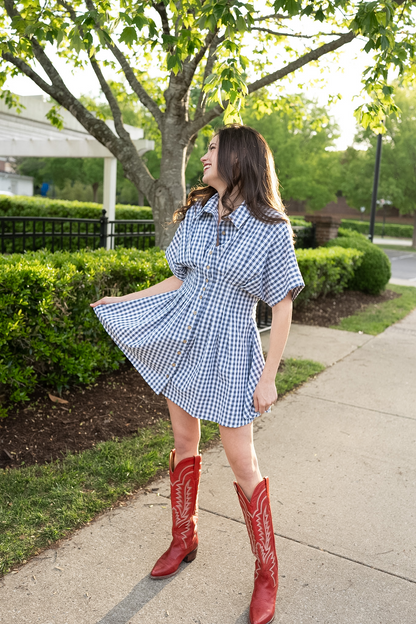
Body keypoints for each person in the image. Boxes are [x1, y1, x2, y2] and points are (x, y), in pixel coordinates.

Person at [91, 124, 304, 624]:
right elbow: (179, 278)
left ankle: (267, 573)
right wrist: (126, 299)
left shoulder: (271, 227)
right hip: (183, 339)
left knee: (241, 461)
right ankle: (183, 538)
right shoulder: (200, 213)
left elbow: (283, 303)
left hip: (231, 351)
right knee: (184, 443)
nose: (204, 156)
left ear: (238, 159)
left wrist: (268, 375)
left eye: (212, 149)